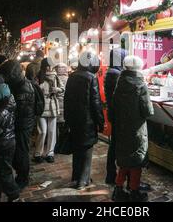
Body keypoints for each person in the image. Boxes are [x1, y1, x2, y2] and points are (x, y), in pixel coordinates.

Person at [111, 55, 154, 202]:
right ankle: (134, 191)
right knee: (136, 162)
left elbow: (113, 108)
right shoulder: (141, 85)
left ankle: (118, 190)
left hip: (122, 129)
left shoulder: (120, 83)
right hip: (136, 129)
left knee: (123, 161)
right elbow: (148, 111)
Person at [64, 52, 104, 190]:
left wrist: (67, 119)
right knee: (87, 151)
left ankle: (76, 176)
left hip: (74, 120)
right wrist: (100, 121)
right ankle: (83, 180)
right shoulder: (91, 77)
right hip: (88, 121)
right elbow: (96, 102)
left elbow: (66, 100)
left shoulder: (72, 76)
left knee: (76, 149)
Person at [0, 60, 37, 189]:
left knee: (22, 152)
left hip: (23, 125)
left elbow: (20, 111)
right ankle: (21, 175)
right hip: (20, 124)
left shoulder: (24, 88)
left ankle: (23, 178)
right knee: (19, 152)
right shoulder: (17, 84)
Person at [34, 59, 64, 163]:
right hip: (42, 106)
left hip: (52, 105)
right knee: (42, 131)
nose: (49, 68)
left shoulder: (55, 76)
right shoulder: (38, 76)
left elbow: (62, 88)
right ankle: (38, 153)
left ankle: (50, 153)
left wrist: (57, 90)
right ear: (44, 66)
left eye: (50, 66)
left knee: (52, 131)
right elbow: (35, 91)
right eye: (47, 66)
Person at [103, 48, 126, 185]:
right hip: (118, 114)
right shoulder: (116, 73)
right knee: (117, 145)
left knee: (114, 144)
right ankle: (113, 175)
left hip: (113, 113)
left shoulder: (111, 71)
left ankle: (112, 174)